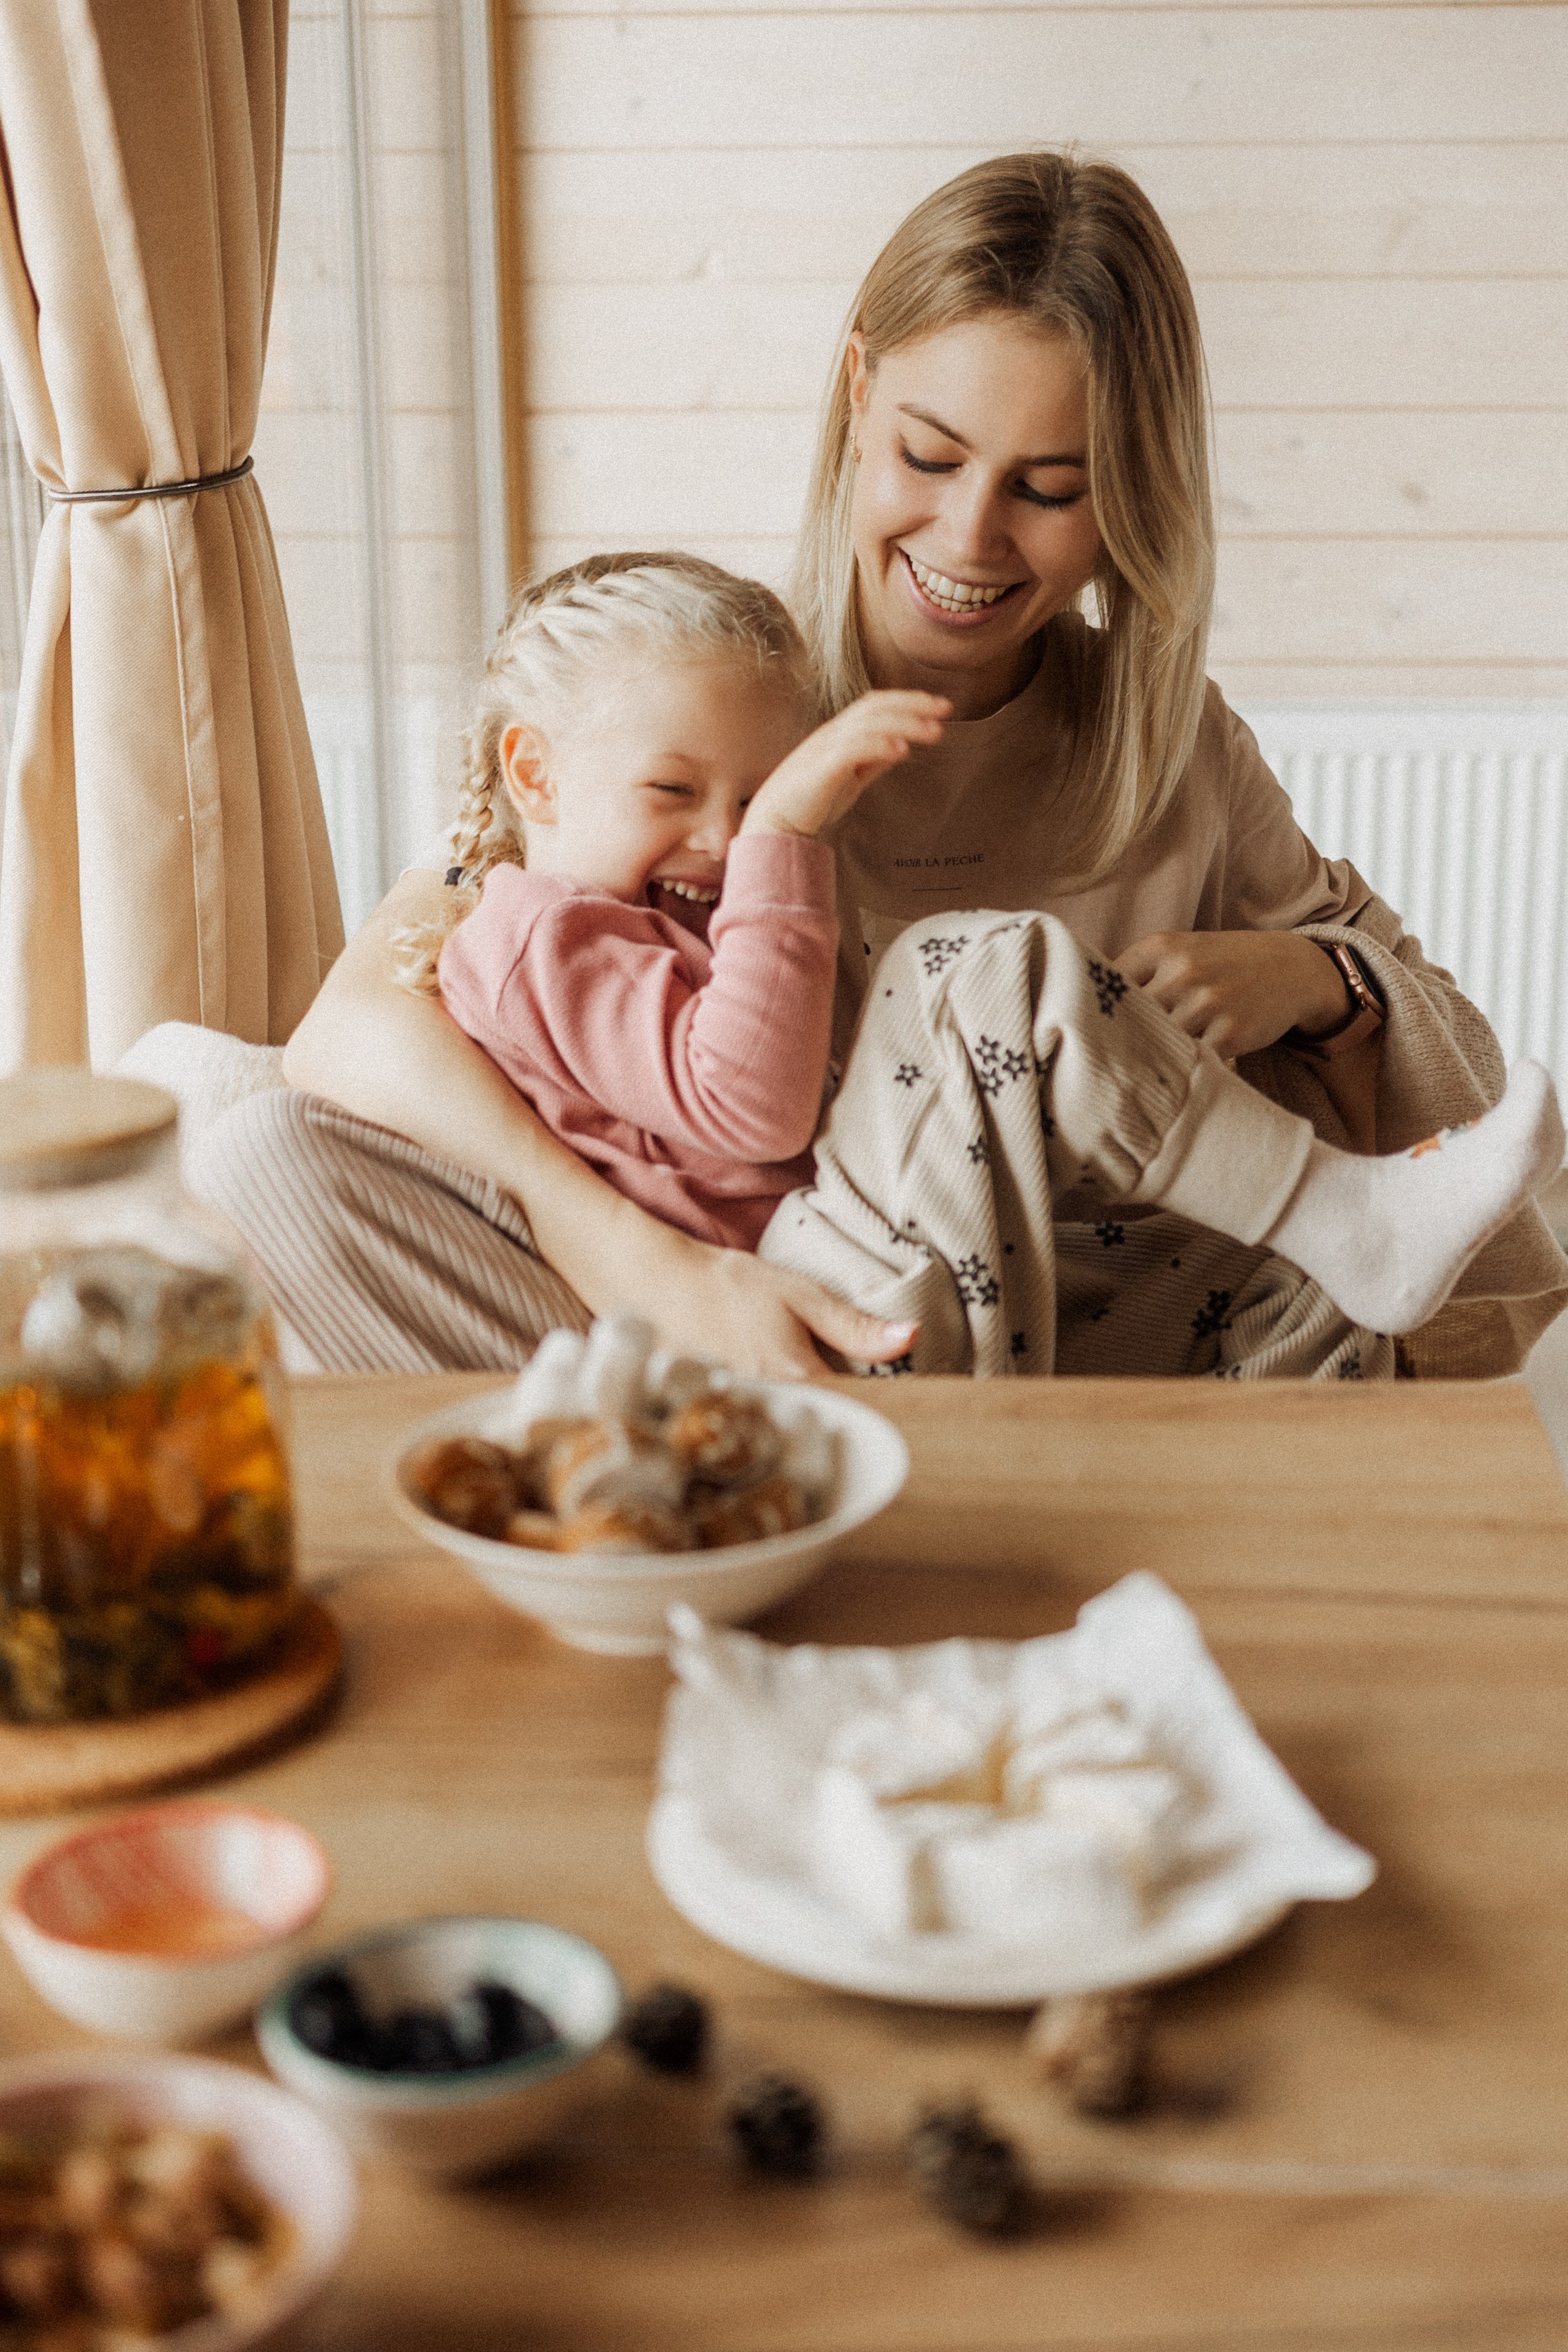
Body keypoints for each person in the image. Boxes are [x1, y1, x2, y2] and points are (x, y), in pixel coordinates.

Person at [193, 152, 1568, 1380]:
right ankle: (706, 1419)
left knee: (1313, 1282)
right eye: (927, 455)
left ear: (1127, 496)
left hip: (1050, 1317)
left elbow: (1442, 1039)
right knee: (259, 1148)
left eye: (1046, 488)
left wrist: (1315, 982)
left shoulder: (1169, 739)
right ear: (858, 397)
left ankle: (836, 1437)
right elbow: (365, 1016)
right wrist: (636, 1260)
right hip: (730, 1295)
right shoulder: (716, 699)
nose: (970, 539)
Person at [362, 547, 1563, 1378]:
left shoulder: (636, 913)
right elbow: (746, 1108)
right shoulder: (536, 935)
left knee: (1268, 1273)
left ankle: (1341, 1259)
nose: (722, 840)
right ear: (534, 776)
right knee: (978, 965)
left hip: (867, 1249)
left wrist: (1315, 981)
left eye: (752, 798)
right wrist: (789, 836)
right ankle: (1349, 1214)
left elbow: (796, 1071)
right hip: (797, 1295)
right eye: (674, 794)